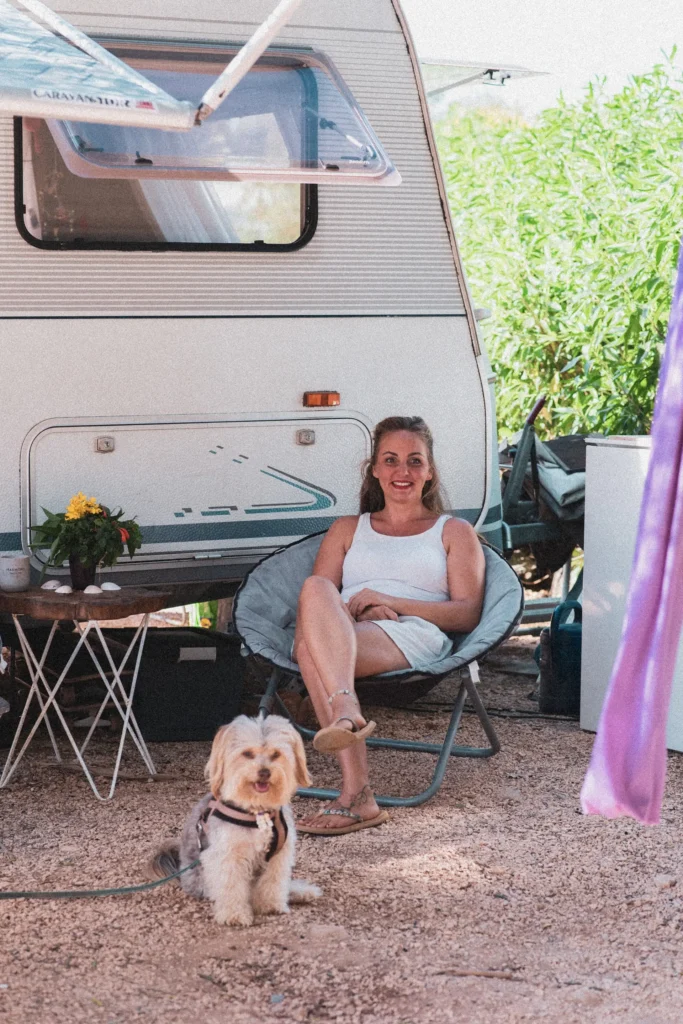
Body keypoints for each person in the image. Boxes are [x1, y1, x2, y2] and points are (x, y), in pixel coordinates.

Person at [294, 416, 485, 835]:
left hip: (414, 633)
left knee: (311, 649)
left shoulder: (453, 531)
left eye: (415, 461)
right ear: (375, 469)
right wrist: (360, 611)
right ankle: (348, 719)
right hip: (348, 627)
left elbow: (467, 612)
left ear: (430, 470)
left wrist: (390, 601)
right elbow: (318, 601)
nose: (403, 472)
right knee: (314, 590)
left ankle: (356, 791)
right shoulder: (347, 528)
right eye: (391, 460)